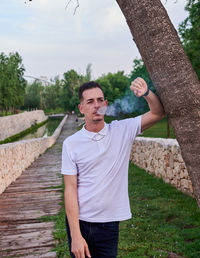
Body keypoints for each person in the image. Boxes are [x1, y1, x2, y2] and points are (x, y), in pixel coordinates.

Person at [61, 78, 165, 258]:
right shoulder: (71, 143)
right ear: (81, 108)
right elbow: (70, 189)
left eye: (100, 100)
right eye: (90, 101)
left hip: (109, 225)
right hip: (81, 224)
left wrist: (146, 94)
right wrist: (76, 235)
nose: (96, 105)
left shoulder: (122, 130)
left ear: (106, 104)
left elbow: (158, 112)